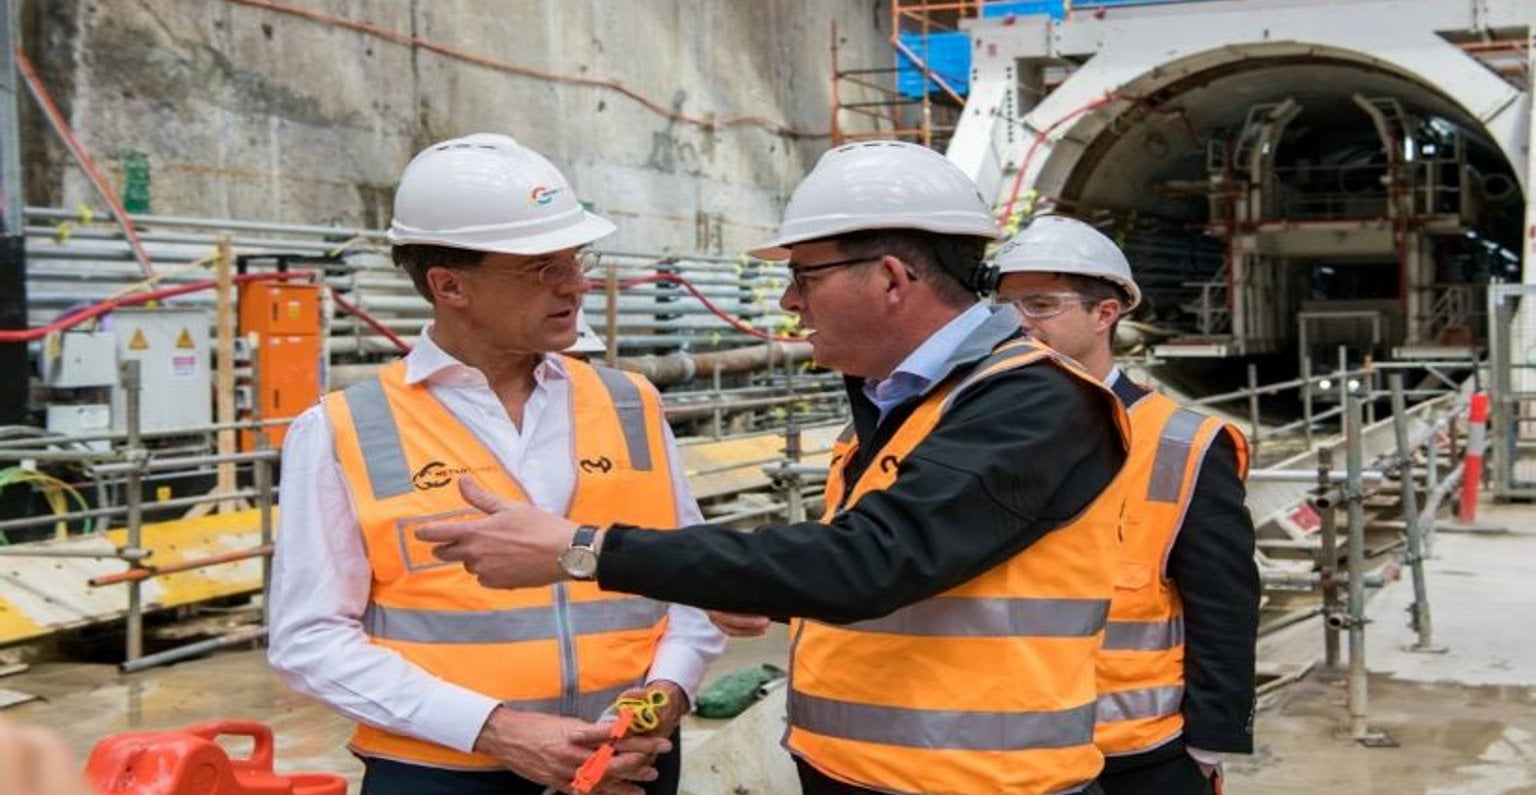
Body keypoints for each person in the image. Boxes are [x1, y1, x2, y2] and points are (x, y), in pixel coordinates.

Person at [418, 140, 1133, 794]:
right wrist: (767, 585)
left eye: (803, 276)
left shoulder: (1033, 402)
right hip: (864, 774)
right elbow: (898, 566)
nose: (790, 301)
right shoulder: (903, 398)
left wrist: (583, 550)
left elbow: (869, 562)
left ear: (890, 278)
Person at [267, 134, 723, 795]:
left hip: (628, 763)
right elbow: (308, 640)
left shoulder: (630, 403)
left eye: (576, 258)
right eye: (541, 267)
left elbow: (692, 577)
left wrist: (671, 687)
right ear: (449, 285)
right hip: (443, 774)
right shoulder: (343, 430)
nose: (576, 283)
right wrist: (495, 729)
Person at [994, 216, 1259, 795]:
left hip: (1133, 753)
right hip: (1003, 746)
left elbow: (1224, 604)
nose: (1016, 322)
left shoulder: (1182, 442)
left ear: (1105, 313)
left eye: (1040, 304)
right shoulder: (975, 431)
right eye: (1004, 304)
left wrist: (1209, 740)